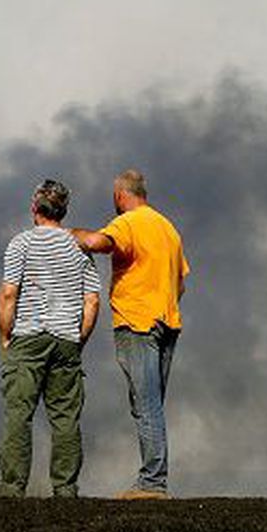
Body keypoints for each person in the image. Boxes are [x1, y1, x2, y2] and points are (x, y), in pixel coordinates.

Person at [71, 169, 189, 499]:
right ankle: (153, 478)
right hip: (167, 321)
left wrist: (68, 234)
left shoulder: (129, 222)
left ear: (121, 196)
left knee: (145, 404)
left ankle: (153, 483)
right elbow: (182, 282)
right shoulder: (168, 228)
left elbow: (96, 242)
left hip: (136, 322)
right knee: (152, 403)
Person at [0, 179, 101, 498]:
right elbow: (92, 301)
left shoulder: (21, 244)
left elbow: (8, 294)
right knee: (66, 417)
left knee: (19, 413)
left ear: (34, 208)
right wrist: (79, 338)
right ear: (64, 211)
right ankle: (65, 489)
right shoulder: (79, 248)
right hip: (66, 339)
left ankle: (12, 489)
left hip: (28, 337)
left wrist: (5, 337)